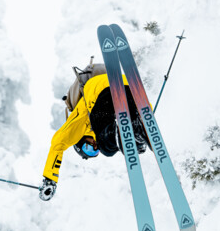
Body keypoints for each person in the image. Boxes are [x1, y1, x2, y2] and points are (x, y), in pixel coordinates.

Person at [39, 66, 149, 201]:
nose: (94, 147)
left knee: (107, 149)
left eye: (88, 147)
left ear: (79, 140)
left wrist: (50, 178)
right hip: (130, 88)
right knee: (129, 142)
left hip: (102, 92)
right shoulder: (104, 129)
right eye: (93, 152)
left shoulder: (79, 122)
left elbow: (58, 144)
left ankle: (130, 131)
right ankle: (138, 132)